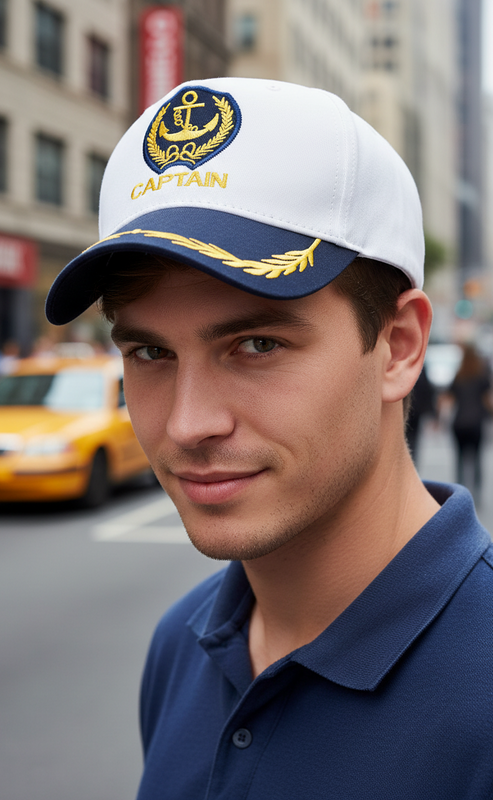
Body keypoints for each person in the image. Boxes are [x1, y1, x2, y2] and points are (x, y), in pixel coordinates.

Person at [46, 79, 493, 797]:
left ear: (400, 347)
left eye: (256, 345)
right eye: (150, 353)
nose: (189, 424)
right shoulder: (181, 643)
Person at [446, 342, 491, 496]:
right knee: (477, 457)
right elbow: (487, 400)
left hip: (459, 423)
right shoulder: (481, 377)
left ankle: (459, 491)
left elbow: (448, 399)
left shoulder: (458, 375)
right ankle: (476, 491)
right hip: (476, 423)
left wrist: (439, 418)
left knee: (459, 459)